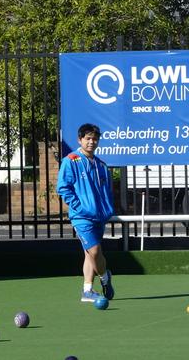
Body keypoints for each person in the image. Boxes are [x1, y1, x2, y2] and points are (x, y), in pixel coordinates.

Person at [57, 123, 115, 303]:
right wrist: (80, 208)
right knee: (95, 251)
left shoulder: (101, 165)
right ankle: (105, 277)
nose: (91, 142)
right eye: (88, 138)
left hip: (99, 216)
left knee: (89, 254)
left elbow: (107, 191)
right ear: (80, 140)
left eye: (94, 139)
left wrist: (107, 210)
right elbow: (63, 188)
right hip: (81, 217)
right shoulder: (71, 160)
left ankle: (87, 290)